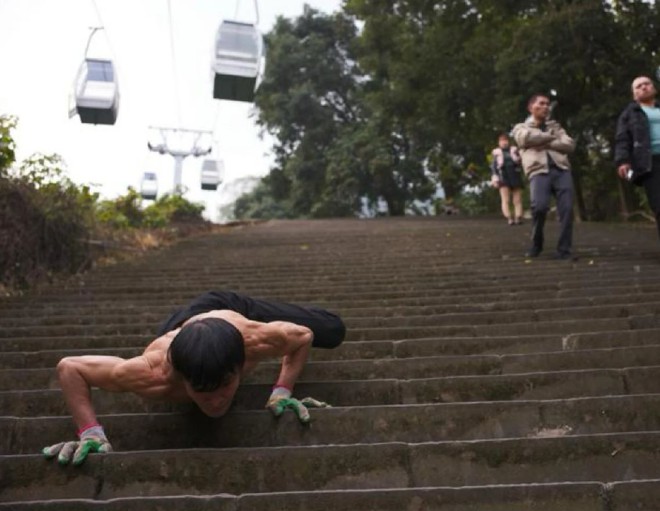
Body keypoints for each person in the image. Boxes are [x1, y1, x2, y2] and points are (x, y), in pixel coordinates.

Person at [42, 290, 346, 466]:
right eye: (202, 391)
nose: (215, 402)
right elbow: (70, 368)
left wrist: (281, 390)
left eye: (224, 386)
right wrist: (91, 432)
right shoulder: (151, 374)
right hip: (181, 325)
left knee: (332, 329)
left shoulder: (257, 340)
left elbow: (303, 336)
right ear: (181, 380)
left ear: (242, 364)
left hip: (231, 308)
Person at [512, 94, 576, 259]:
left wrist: (545, 141)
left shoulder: (555, 126)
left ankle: (564, 250)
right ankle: (537, 243)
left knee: (567, 209)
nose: (546, 107)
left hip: (561, 169)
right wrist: (551, 137)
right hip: (538, 170)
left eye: (547, 104)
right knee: (539, 208)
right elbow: (525, 139)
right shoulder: (521, 127)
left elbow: (569, 145)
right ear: (531, 107)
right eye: (541, 103)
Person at [615, 76, 660, 237]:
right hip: (650, 162)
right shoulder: (629, 114)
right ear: (634, 95)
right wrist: (622, 161)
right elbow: (622, 138)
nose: (643, 87)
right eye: (638, 86)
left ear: (654, 88)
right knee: (658, 204)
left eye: (647, 84)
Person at [490, 133, 524, 225]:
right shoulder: (496, 153)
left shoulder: (515, 151)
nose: (504, 142)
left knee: (517, 199)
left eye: (505, 140)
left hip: (515, 175)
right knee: (505, 199)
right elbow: (493, 167)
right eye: (502, 141)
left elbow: (521, 162)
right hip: (503, 176)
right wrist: (495, 178)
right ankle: (509, 217)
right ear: (499, 143)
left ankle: (518, 217)